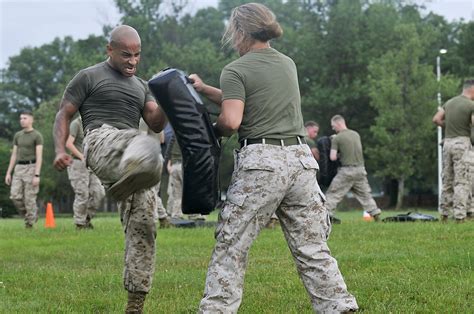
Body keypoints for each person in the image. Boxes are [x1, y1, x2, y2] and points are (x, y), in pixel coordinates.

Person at [189, 3, 358, 312]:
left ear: (241, 31)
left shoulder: (236, 69)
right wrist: (205, 90)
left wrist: (206, 132)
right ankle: (339, 306)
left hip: (262, 164)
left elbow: (231, 121)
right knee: (312, 247)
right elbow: (248, 98)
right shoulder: (286, 63)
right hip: (300, 161)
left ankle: (216, 309)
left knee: (232, 244)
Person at [53, 25, 167, 313]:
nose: (132, 61)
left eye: (137, 55)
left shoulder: (142, 86)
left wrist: (169, 98)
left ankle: (135, 303)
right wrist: (58, 150)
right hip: (101, 140)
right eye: (126, 55)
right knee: (146, 147)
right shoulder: (89, 76)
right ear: (110, 50)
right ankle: (129, 176)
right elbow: (63, 114)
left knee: (145, 224)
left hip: (132, 152)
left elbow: (155, 123)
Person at [324, 115, 382, 223]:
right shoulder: (356, 134)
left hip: (347, 171)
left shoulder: (337, 138)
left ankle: (325, 216)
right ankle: (376, 215)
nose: (333, 129)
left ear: (339, 123)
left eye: (333, 126)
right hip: (360, 170)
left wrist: (333, 143)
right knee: (365, 194)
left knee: (333, 194)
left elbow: (332, 157)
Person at [433, 79, 474, 223]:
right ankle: (460, 216)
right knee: (462, 181)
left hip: (447, 143)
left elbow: (436, 119)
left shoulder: (449, 103)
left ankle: (444, 215)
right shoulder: (471, 105)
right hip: (462, 143)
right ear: (472, 89)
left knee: (447, 181)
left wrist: (449, 127)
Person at [5, 110, 43, 229]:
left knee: (29, 198)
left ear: (32, 120)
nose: (22, 120)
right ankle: (31, 215)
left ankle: (30, 224)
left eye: (25, 118)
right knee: (15, 196)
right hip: (19, 168)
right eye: (21, 118)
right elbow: (14, 155)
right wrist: (8, 173)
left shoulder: (37, 135)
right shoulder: (18, 135)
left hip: (31, 167)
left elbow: (39, 156)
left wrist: (37, 175)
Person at [66, 115, 105, 229]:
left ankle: (86, 218)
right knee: (82, 194)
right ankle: (80, 224)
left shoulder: (96, 124)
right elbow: (69, 143)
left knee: (99, 193)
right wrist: (82, 156)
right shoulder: (76, 123)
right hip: (78, 163)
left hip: (93, 164)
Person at [138, 118, 172, 228]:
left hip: (148, 157)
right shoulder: (157, 121)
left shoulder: (143, 120)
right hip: (158, 156)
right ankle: (163, 218)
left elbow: (142, 140)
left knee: (149, 191)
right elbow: (162, 140)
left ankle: (155, 219)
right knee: (154, 190)